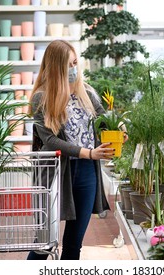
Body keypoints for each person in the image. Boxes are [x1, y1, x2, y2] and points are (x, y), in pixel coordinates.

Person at [26, 40, 125, 260]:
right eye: (68, 65)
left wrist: (118, 129)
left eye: (75, 62)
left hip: (87, 173)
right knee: (43, 243)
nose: (73, 69)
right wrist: (88, 152)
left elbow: (104, 118)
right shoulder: (42, 98)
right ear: (55, 68)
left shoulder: (86, 92)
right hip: (56, 174)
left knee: (74, 244)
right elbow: (50, 140)